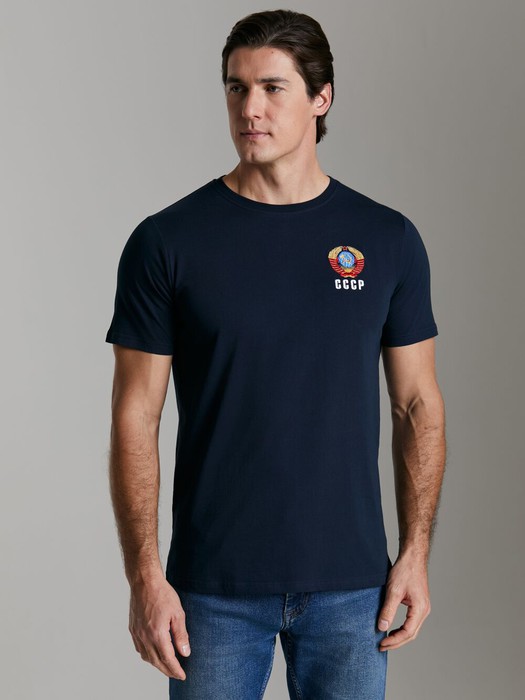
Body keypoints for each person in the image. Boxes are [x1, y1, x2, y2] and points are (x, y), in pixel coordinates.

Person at [105, 9, 446, 699]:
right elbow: (135, 415)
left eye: (271, 87)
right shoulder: (167, 242)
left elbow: (416, 403)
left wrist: (414, 554)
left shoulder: (387, 239)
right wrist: (145, 576)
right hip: (212, 592)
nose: (248, 108)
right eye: (235, 88)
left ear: (321, 98)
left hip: (353, 589)